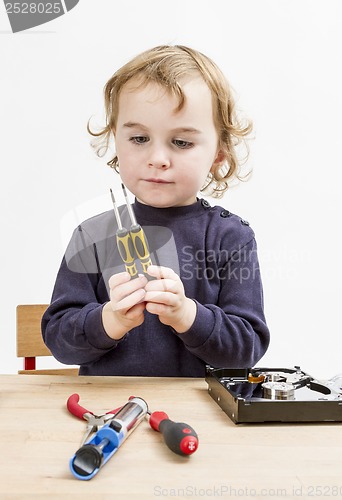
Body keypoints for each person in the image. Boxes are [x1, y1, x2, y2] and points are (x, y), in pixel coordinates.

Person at [41, 45, 270, 377]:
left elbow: (246, 349)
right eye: (138, 138)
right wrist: (111, 320)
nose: (158, 158)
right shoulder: (92, 236)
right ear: (115, 141)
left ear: (219, 155)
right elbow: (59, 339)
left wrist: (187, 315)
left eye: (181, 142)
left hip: (203, 418)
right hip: (109, 411)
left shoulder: (231, 238)